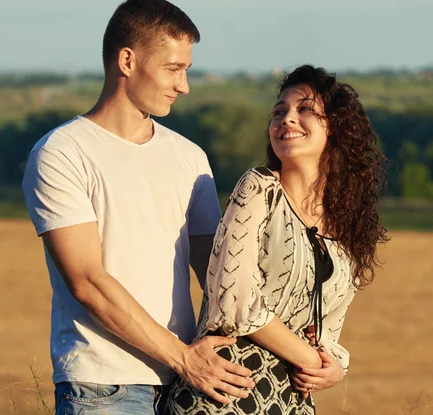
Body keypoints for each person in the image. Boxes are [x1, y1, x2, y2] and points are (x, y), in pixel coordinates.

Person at [21, 1, 255, 414]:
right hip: (102, 388)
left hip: (188, 388)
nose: (184, 85)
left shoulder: (190, 157)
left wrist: (304, 346)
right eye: (173, 68)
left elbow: (220, 272)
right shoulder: (61, 154)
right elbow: (87, 282)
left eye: (186, 70)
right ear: (127, 60)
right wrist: (184, 357)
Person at [166, 65, 389, 415]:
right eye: (279, 111)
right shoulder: (258, 189)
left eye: (304, 110)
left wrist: (335, 366)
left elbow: (328, 329)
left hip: (290, 403)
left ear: (337, 129)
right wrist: (308, 357)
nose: (287, 119)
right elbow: (234, 303)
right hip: (224, 394)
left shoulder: (346, 225)